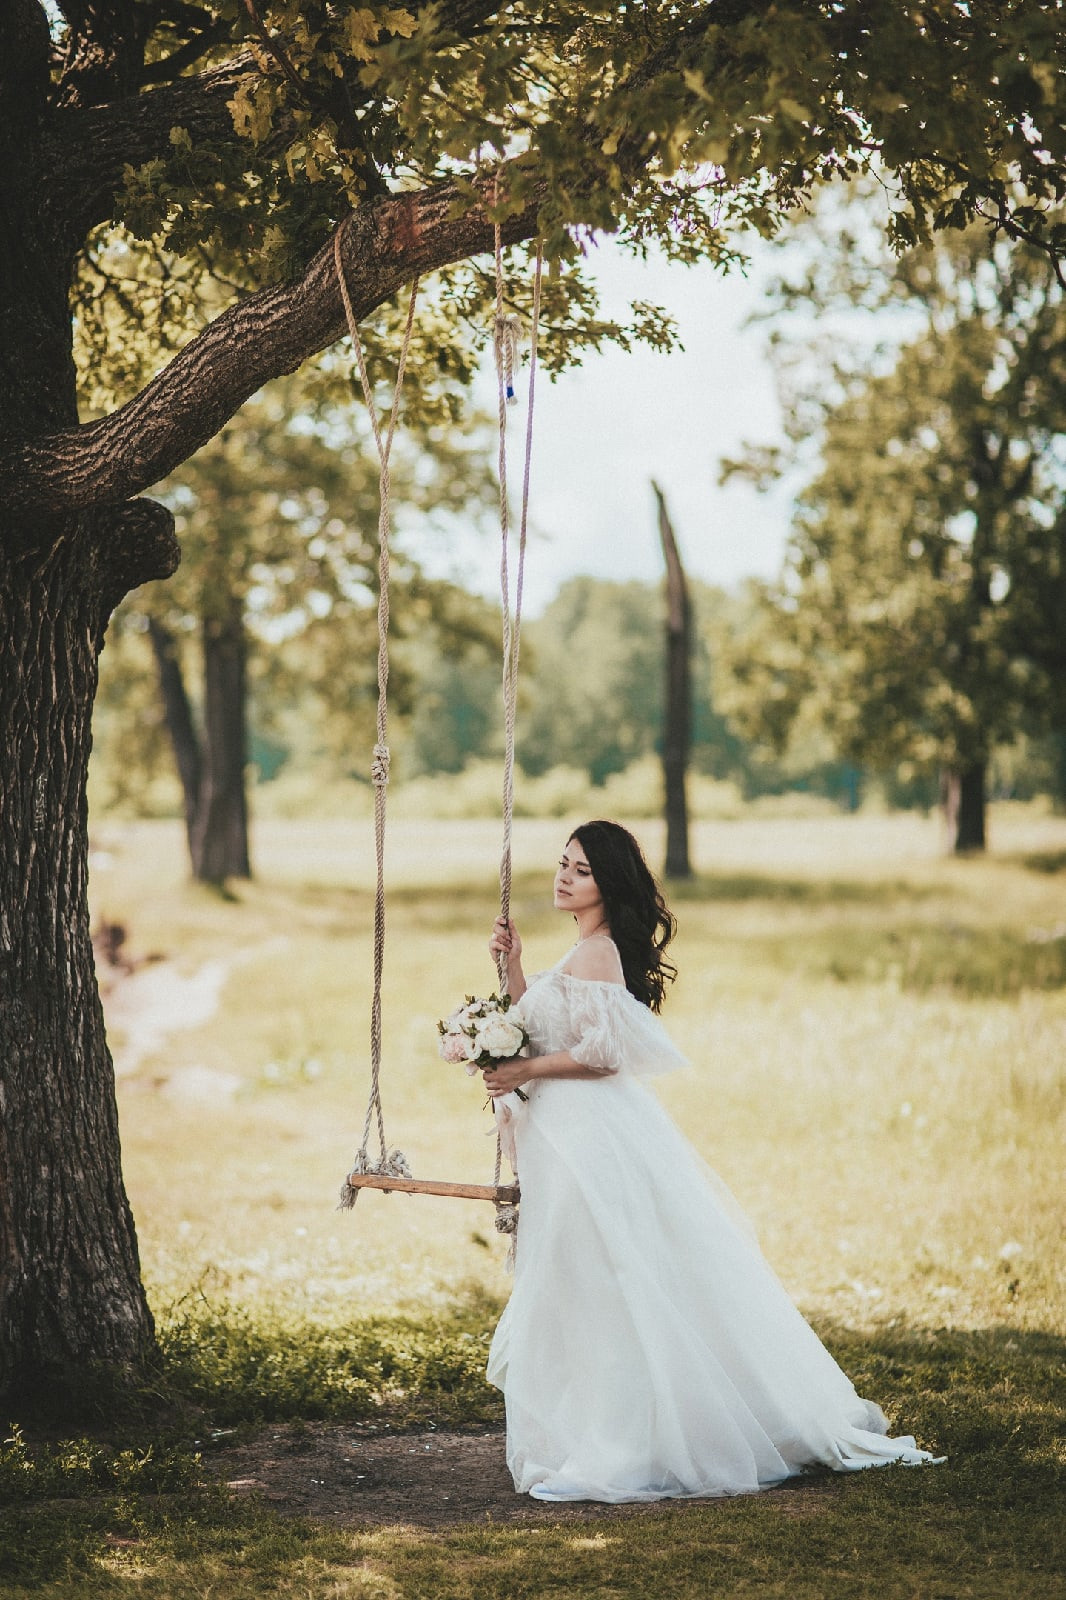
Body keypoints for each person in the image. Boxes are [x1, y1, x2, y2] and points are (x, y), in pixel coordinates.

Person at [481, 818, 941, 1504]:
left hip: (589, 1138)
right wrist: (514, 970)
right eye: (562, 864)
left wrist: (524, 1068)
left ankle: (632, 1434)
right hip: (565, 1138)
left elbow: (602, 1058)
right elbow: (549, 1027)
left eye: (579, 869)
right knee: (579, 1277)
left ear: (608, 883)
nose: (563, 877)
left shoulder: (600, 952)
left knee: (605, 1278)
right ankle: (603, 1424)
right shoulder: (582, 952)